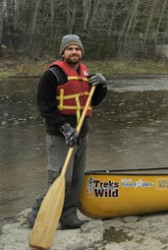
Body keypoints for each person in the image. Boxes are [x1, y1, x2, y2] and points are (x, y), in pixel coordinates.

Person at [27, 34, 108, 229]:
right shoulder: (52, 74)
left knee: (77, 178)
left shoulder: (85, 73)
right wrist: (64, 127)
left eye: (77, 49)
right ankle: (36, 215)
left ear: (81, 52)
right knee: (60, 178)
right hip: (59, 134)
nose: (74, 52)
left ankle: (68, 216)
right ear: (63, 52)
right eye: (70, 49)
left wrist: (102, 85)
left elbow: (93, 101)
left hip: (82, 133)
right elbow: (45, 107)